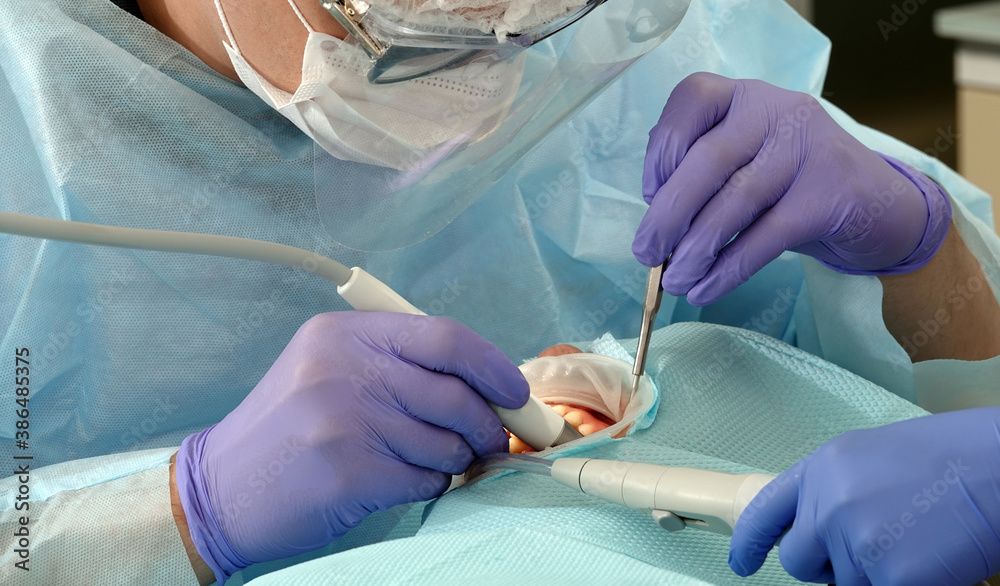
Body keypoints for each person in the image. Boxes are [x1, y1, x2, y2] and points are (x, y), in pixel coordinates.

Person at [1, 0, 1000, 584]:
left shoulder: (627, 42)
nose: (492, 52)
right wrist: (173, 512)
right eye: (417, 24)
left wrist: (917, 248)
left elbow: (959, 386)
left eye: (532, 20)